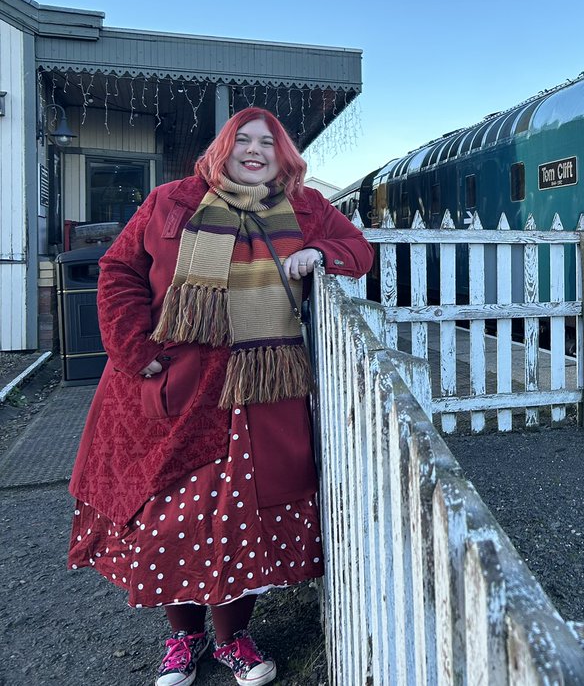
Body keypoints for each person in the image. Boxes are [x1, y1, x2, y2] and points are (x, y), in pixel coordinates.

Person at [68, 108, 373, 686]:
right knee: (171, 516)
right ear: (223, 147)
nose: (255, 152)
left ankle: (233, 637)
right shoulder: (169, 202)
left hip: (264, 390)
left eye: (268, 144)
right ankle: (184, 637)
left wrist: (321, 255)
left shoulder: (306, 209)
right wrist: (136, 351)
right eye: (244, 140)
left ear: (283, 156)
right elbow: (118, 271)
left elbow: (358, 249)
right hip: (177, 382)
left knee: (246, 519)